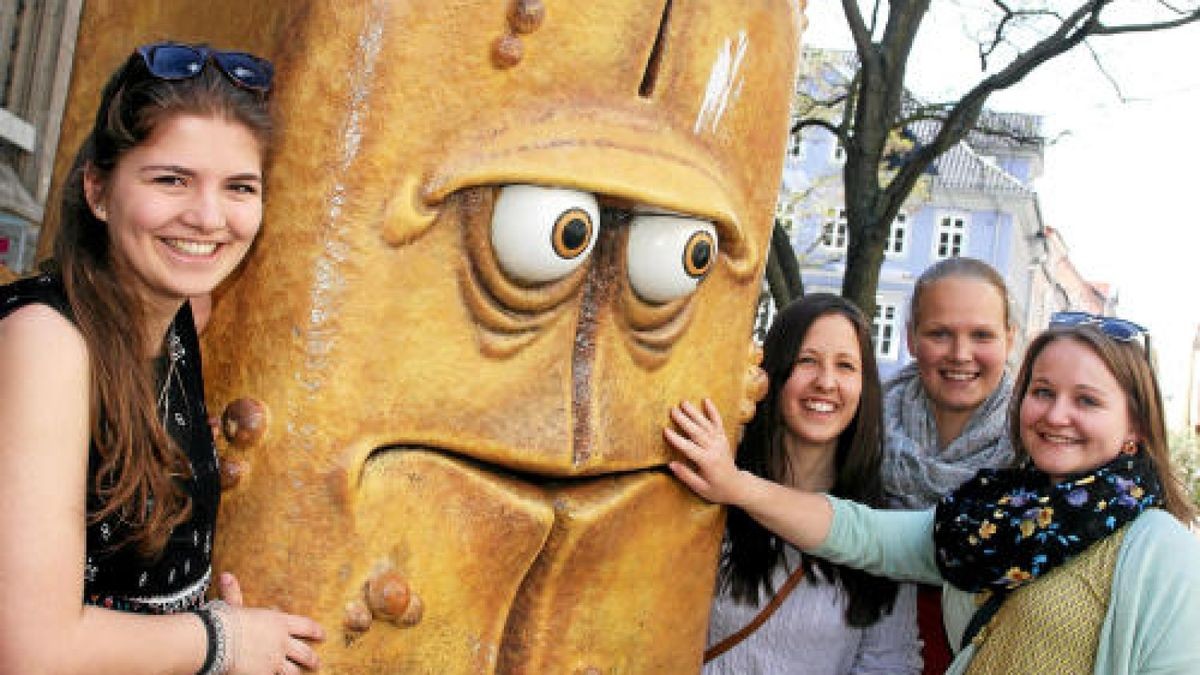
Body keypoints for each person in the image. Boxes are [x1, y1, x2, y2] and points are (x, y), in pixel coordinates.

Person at [0, 42, 325, 673]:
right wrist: (224, 641)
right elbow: (29, 650)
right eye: (171, 179)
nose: (207, 218)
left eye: (239, 186)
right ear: (98, 189)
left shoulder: (183, 313)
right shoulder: (46, 343)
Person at [667, 313, 1200, 674]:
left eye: (1086, 400)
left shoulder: (1160, 550)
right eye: (1042, 392)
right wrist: (734, 484)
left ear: (1134, 426)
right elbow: (860, 532)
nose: (1056, 415)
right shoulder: (992, 517)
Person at [699, 294, 921, 674]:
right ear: (774, 371)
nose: (826, 382)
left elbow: (888, 663)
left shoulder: (884, 525)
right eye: (807, 361)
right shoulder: (710, 495)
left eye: (846, 366)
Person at [882, 257, 1017, 673]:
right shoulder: (862, 427)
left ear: (1009, 340)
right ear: (910, 338)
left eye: (981, 335)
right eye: (940, 333)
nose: (961, 354)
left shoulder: (1036, 449)